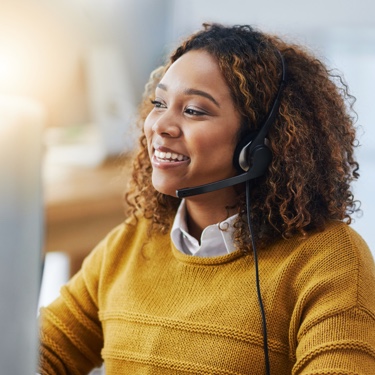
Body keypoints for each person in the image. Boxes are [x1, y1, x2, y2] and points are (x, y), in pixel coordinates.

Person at [38, 23, 375, 374]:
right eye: (160, 103)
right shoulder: (132, 241)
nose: (160, 126)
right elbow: (40, 355)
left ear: (258, 143)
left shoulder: (331, 261)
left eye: (194, 110)